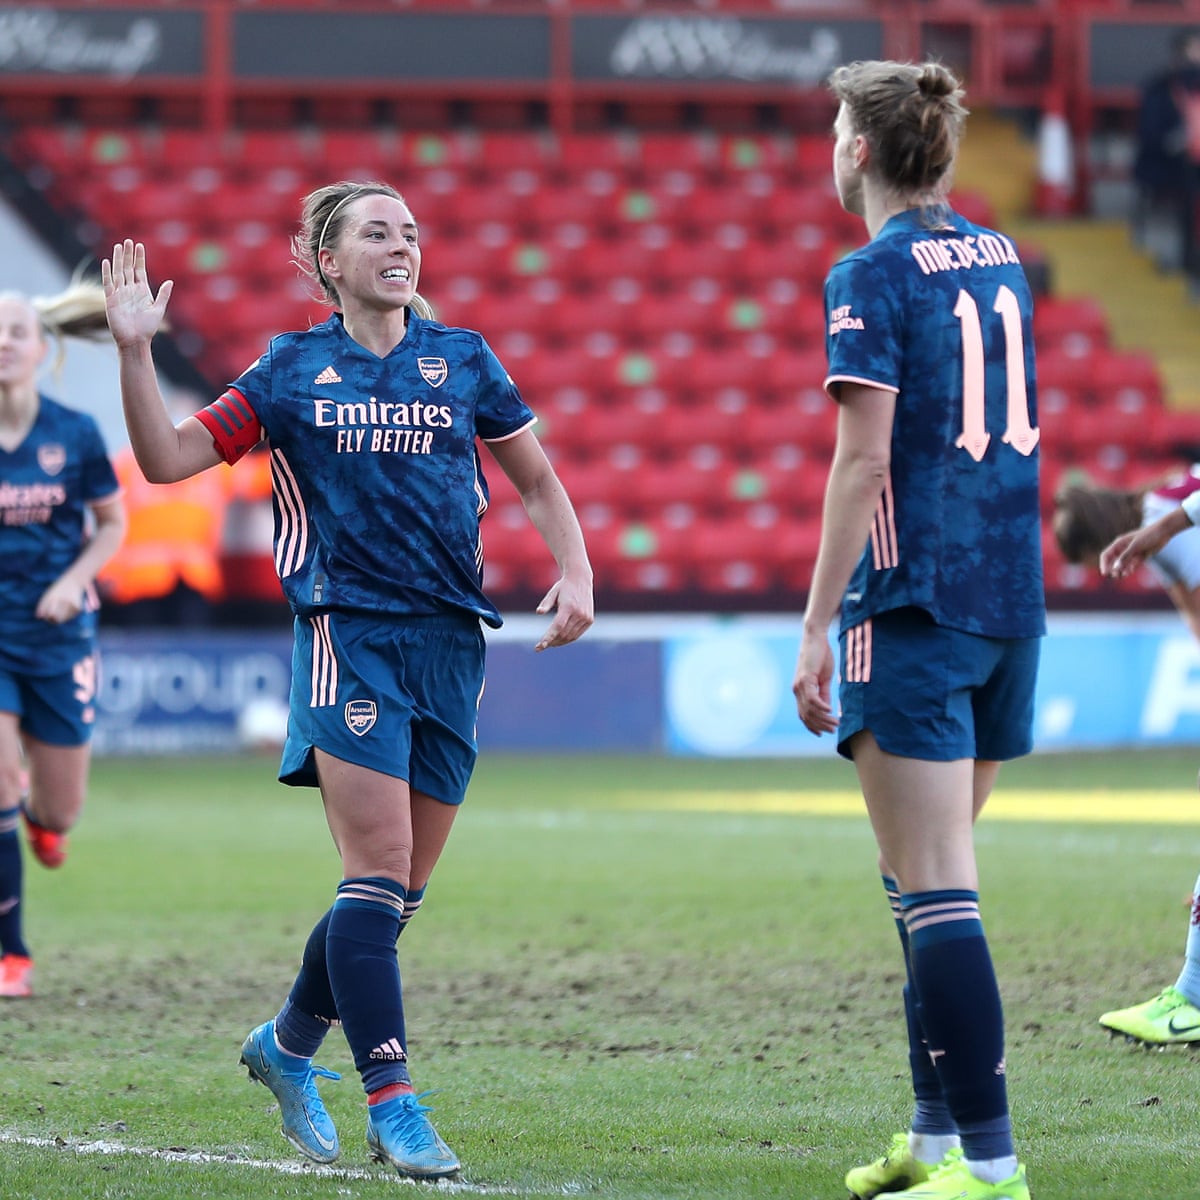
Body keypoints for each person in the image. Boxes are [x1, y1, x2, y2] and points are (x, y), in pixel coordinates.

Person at [101, 181, 594, 1178]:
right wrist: (133, 349)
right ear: (328, 260)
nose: (401, 245)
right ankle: (395, 1104)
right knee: (373, 875)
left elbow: (535, 478)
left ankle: (285, 1045)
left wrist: (576, 567)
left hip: (454, 644)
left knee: (397, 895)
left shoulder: (461, 359)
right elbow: (163, 462)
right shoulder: (289, 370)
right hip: (347, 637)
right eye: (377, 232)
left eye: (410, 231)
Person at [792, 61, 1043, 1200]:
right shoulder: (1001, 256)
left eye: (839, 125)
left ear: (858, 151)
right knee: (919, 882)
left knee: (935, 883)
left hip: (915, 605)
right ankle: (935, 1142)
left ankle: (991, 1166)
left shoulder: (869, 273)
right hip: (1008, 601)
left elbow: (864, 458)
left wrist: (812, 630)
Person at [0, 283, 126, 999]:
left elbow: (111, 524)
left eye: (16, 331)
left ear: (42, 348)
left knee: (57, 810)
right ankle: (11, 953)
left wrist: (73, 580)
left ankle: (41, 823)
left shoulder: (74, 433)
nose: (4, 342)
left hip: (57, 638)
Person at [1057, 471, 1200, 1045]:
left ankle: (1190, 999)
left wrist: (1162, 527)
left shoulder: (1158, 520)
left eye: (1095, 555)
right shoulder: (1163, 510)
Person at [1131, 26, 1200, 278]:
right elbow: (1150, 134)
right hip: (1168, 173)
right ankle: (1173, 266)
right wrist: (1176, 141)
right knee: (1170, 224)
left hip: (1190, 170)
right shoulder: (1160, 89)